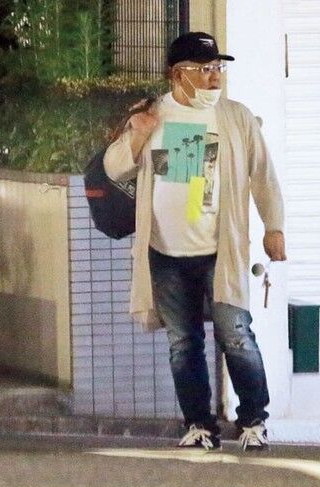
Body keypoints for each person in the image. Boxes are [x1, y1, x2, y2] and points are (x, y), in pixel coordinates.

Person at [103, 32, 286, 451]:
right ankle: (199, 425)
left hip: (221, 251)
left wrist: (273, 226)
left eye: (218, 67)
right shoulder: (153, 115)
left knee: (236, 337)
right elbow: (115, 169)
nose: (214, 76)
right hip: (166, 253)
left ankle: (254, 421)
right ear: (177, 75)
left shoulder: (236, 117)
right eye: (203, 69)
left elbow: (263, 175)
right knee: (183, 344)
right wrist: (137, 136)